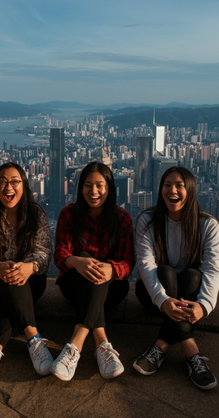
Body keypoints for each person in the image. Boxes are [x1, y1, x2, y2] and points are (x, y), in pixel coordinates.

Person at [133, 166, 219, 390]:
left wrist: (204, 306)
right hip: (153, 296)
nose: (172, 190)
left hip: (190, 297)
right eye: (167, 185)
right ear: (160, 189)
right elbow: (145, 264)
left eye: (179, 185)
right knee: (164, 272)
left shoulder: (207, 224)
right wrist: (163, 299)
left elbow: (213, 269)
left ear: (190, 190)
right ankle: (192, 351)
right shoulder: (147, 220)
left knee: (193, 275)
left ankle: (160, 346)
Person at [51, 162, 134, 381]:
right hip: (74, 288)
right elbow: (59, 255)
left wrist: (112, 269)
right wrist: (77, 262)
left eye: (99, 185)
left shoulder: (123, 218)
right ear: (80, 188)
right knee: (88, 261)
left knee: (98, 269)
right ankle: (102, 345)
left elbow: (128, 262)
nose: (93, 191)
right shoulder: (68, 214)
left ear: (110, 188)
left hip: (113, 290)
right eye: (88, 185)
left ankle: (75, 346)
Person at [0, 162, 54, 379]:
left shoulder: (37, 214)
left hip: (31, 280)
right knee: (8, 276)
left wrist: (29, 267)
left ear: (24, 185)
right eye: (2, 182)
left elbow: (44, 253)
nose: (8, 188)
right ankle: (34, 339)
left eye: (15, 182)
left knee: (16, 278)